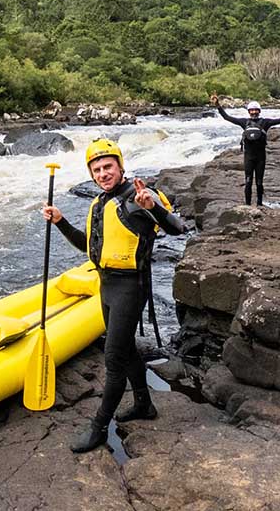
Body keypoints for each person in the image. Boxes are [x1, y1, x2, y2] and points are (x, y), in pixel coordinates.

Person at [42, 138, 185, 453]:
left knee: (114, 358)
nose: (103, 173)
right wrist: (60, 222)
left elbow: (176, 228)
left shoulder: (141, 197)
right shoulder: (98, 203)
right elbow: (88, 247)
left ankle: (98, 428)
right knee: (124, 347)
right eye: (97, 169)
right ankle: (144, 404)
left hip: (131, 287)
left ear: (120, 167)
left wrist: (154, 208)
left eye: (108, 167)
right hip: (106, 284)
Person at [210, 93, 280, 206]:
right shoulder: (244, 122)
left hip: (261, 157)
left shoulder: (265, 122)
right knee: (248, 181)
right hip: (249, 157)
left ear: (259, 111)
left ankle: (259, 204)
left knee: (259, 182)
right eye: (251, 110)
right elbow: (227, 117)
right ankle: (247, 205)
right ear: (248, 112)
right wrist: (218, 105)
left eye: (255, 110)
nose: (253, 112)